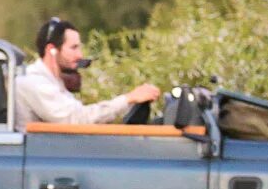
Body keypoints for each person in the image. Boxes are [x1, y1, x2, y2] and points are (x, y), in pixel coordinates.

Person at [14, 16, 160, 129]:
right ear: (51, 50)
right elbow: (77, 119)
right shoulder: (34, 82)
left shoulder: (53, 82)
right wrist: (129, 98)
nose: (80, 55)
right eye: (74, 48)